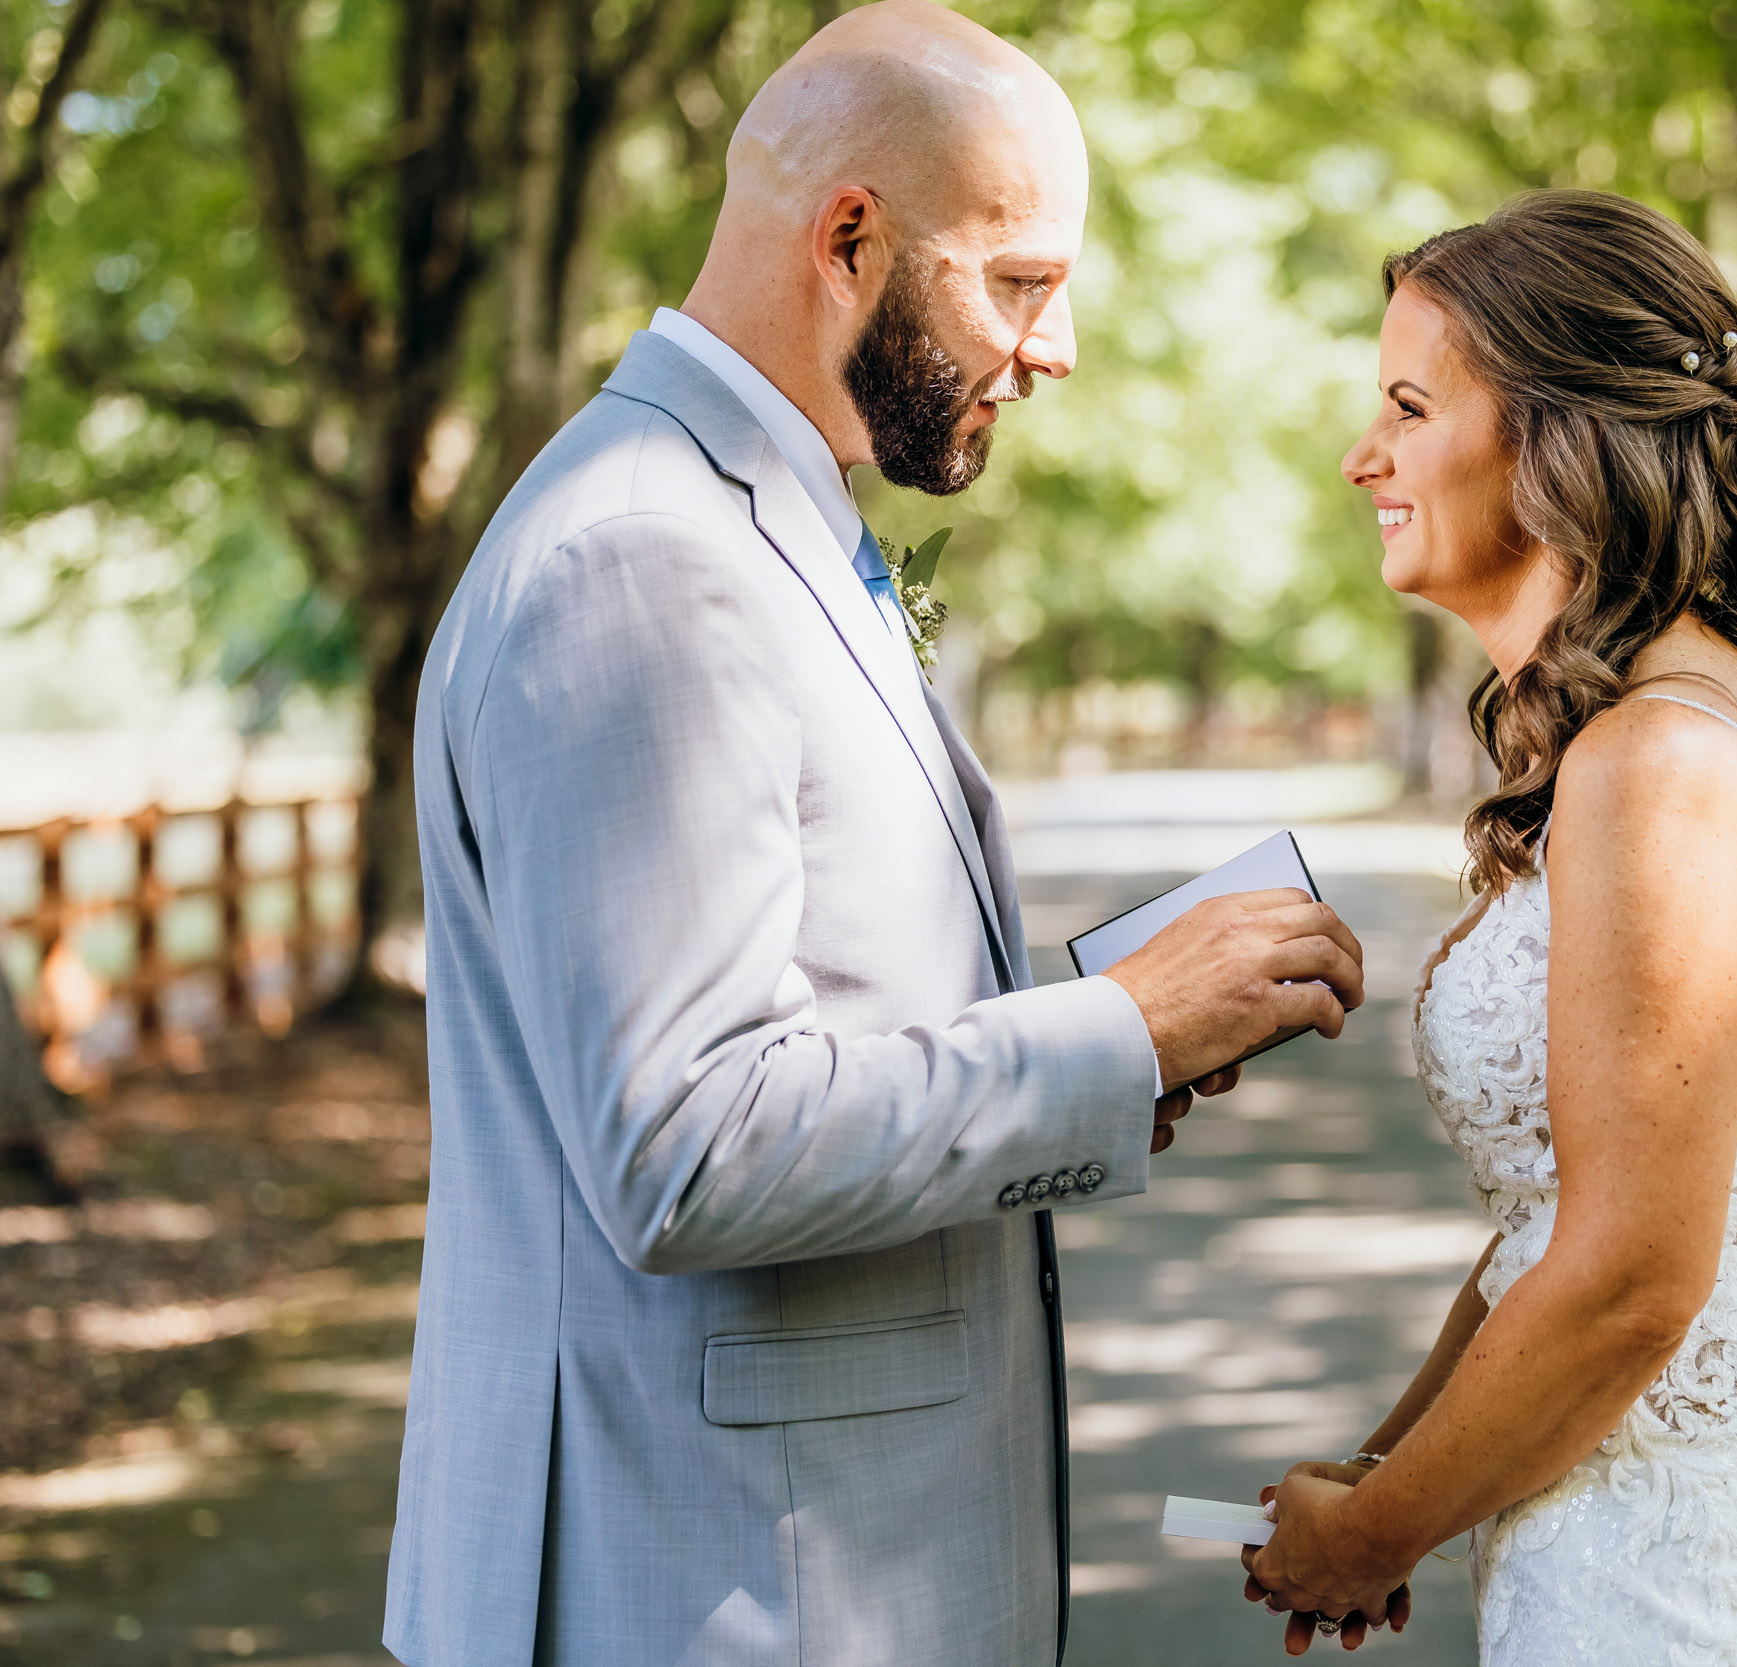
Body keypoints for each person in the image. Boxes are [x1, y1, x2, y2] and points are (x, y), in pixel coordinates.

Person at [382, 6, 1364, 1664]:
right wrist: (1110, 1033)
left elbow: (807, 1007)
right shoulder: (648, 561)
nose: (1053, 352)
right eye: (1024, 282)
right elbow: (686, 1146)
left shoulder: (757, 522)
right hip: (712, 1591)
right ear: (850, 238)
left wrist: (1135, 1047)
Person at [1240, 190, 1737, 1663]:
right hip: (1655, 1539)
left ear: (1558, 436)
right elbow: (1551, 1232)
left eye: (1411, 407)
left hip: (1689, 1584)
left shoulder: (1664, 765)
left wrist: (1376, 1535)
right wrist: (1390, 1472)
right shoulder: (1664, 732)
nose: (1363, 457)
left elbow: (1633, 1279)